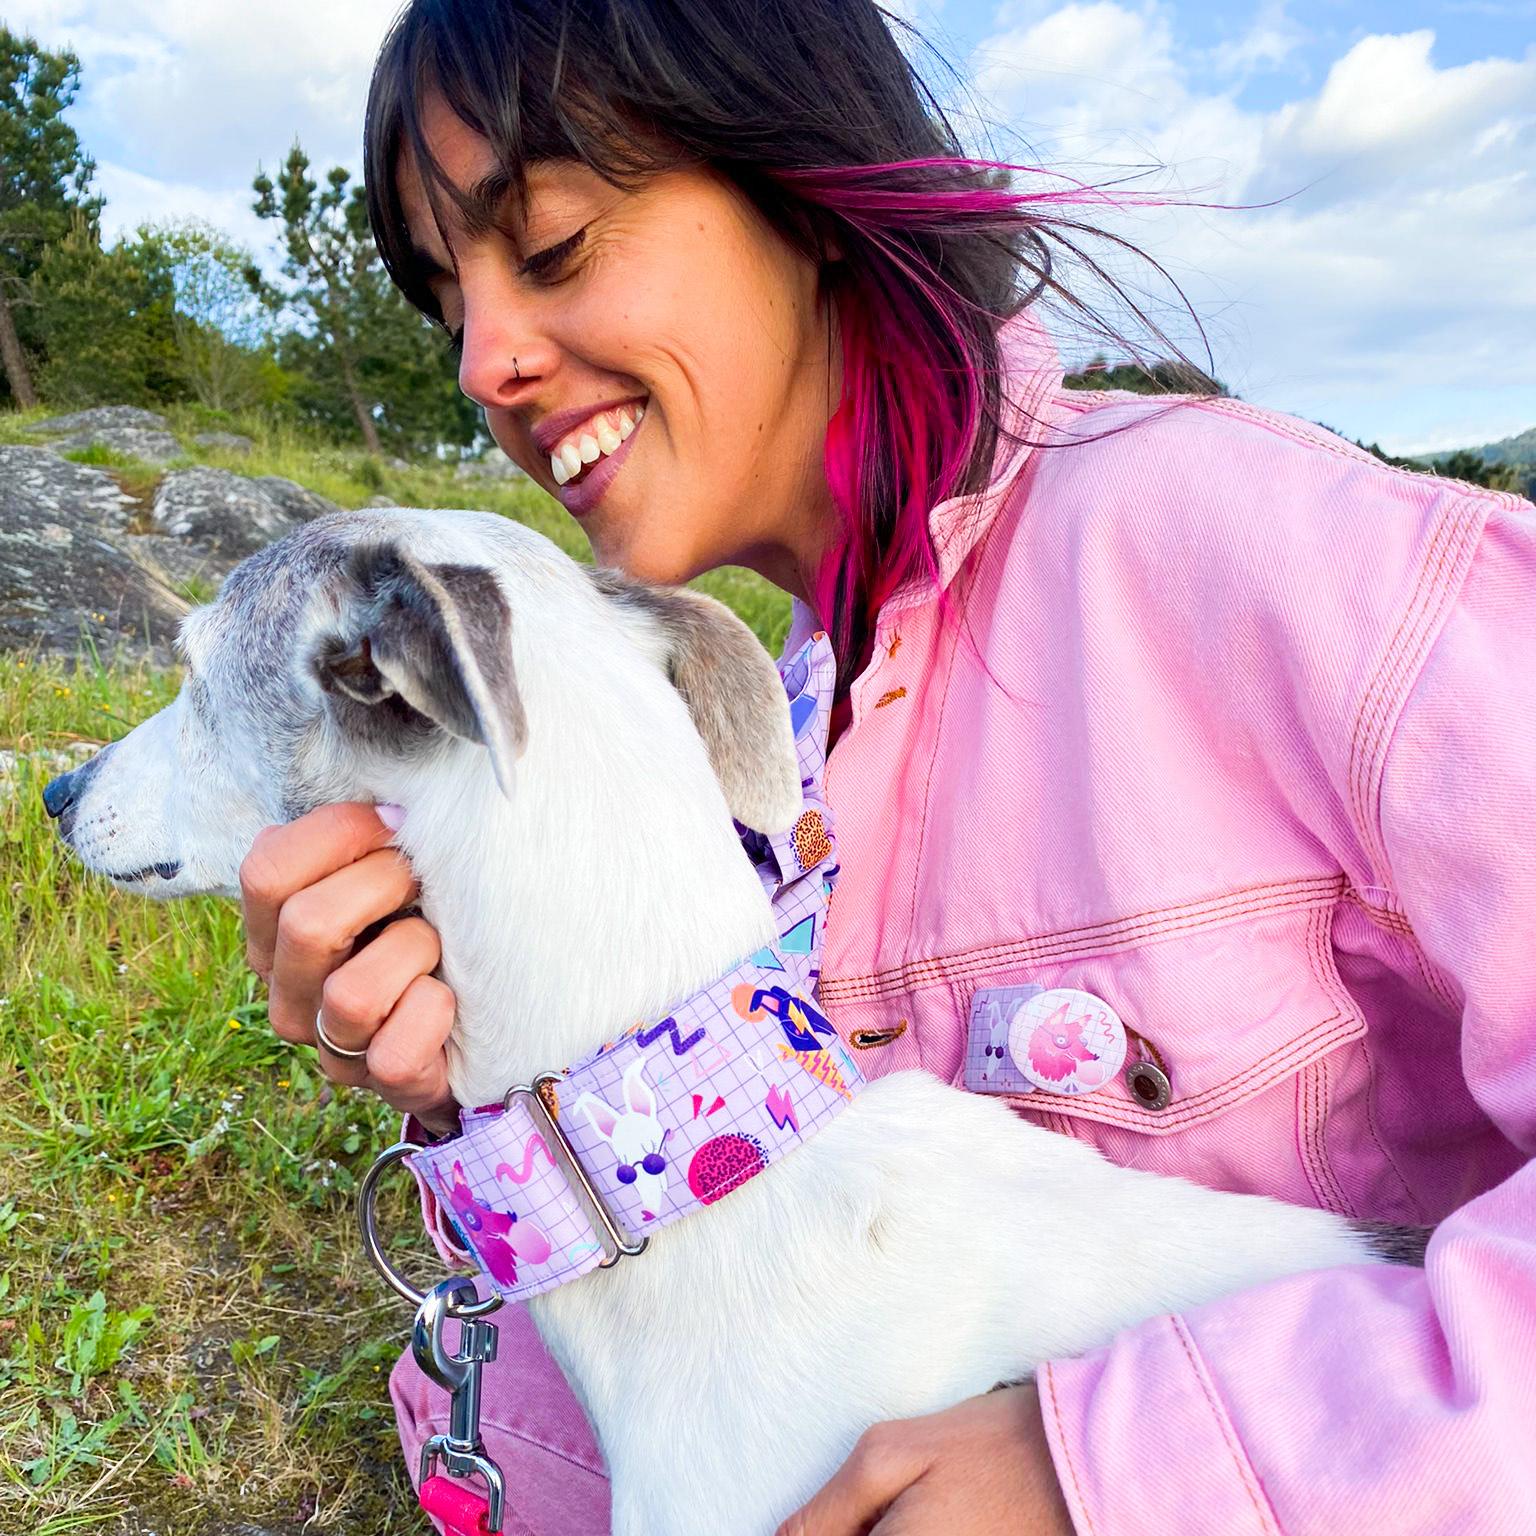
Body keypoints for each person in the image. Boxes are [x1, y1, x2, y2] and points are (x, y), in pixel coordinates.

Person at [237, 2, 1536, 1532]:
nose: (485, 361)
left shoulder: (1289, 566)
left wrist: (1113, 1465)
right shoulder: (724, 741)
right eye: (447, 299)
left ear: (809, 192)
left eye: (556, 244)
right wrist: (490, 1094)